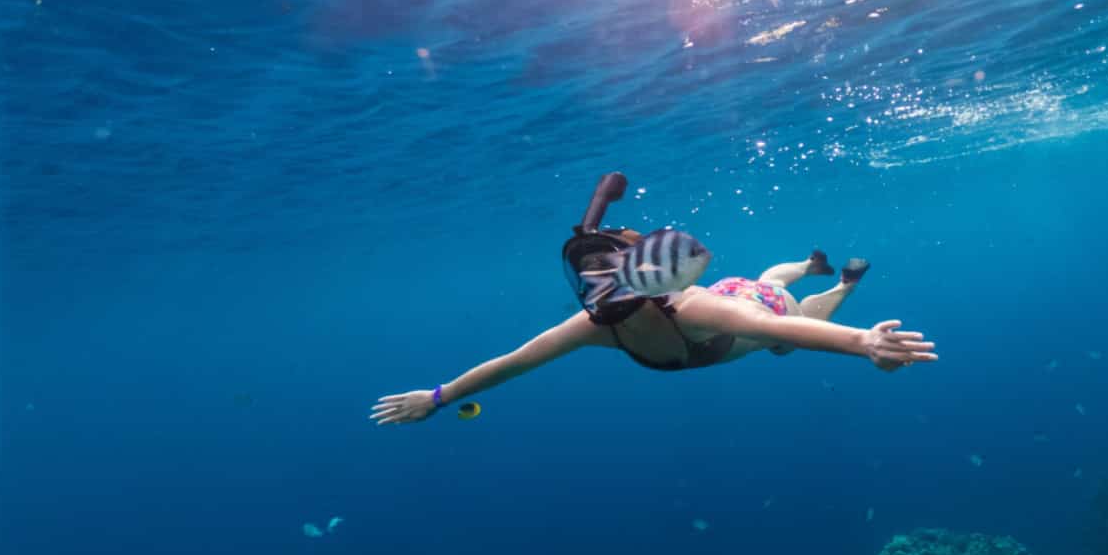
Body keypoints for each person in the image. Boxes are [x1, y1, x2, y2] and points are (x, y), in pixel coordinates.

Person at [369, 173, 938, 425]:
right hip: (734, 295)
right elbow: (510, 364)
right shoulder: (596, 322)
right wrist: (438, 396)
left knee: (779, 321)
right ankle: (811, 268)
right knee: (771, 281)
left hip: (747, 308)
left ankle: (841, 284)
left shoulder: (676, 312)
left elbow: (789, 331)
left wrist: (863, 341)